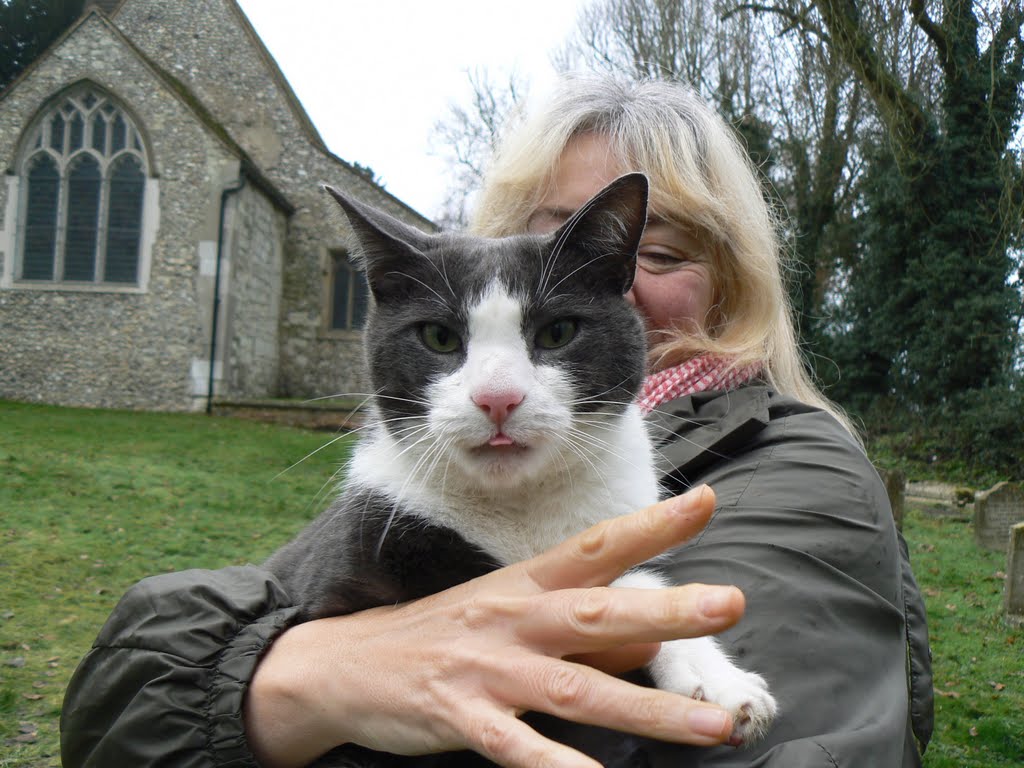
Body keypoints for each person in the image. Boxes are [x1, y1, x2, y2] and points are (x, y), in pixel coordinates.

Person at [60, 75, 933, 767]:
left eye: (655, 255)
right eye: (520, 242)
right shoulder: (407, 482)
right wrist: (279, 688)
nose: (498, 390)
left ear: (737, 282)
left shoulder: (802, 474)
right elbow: (122, 708)